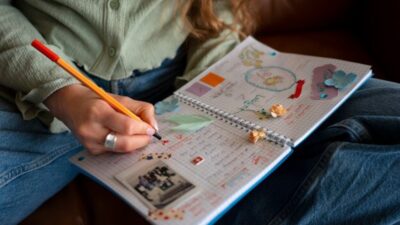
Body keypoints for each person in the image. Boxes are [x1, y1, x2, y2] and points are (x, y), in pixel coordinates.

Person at [1, 1, 400, 225]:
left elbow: (217, 9)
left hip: (195, 65)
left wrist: (214, 84)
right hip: (40, 89)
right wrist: (61, 91)